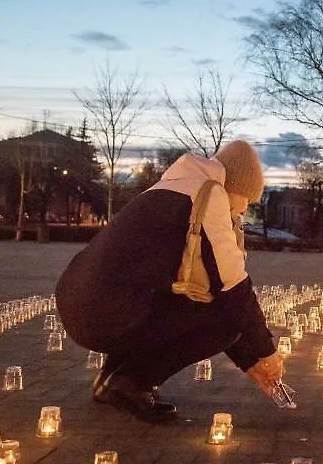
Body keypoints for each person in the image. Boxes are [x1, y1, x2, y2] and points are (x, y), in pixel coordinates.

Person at [55, 140, 283, 423]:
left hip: (80, 304)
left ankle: (111, 379)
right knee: (224, 322)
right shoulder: (209, 194)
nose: (245, 209)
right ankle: (131, 382)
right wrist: (266, 351)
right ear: (234, 186)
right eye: (247, 199)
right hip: (106, 315)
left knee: (175, 298)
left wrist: (250, 361)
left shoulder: (171, 187)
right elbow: (232, 287)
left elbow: (209, 292)